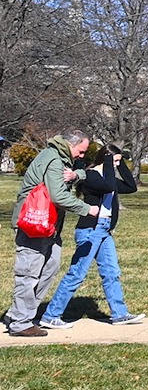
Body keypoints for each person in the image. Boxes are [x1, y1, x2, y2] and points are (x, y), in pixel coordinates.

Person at [37, 141, 142, 329]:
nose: (116, 166)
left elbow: (131, 187)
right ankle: (51, 315)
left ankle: (119, 314)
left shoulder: (107, 174)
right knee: (77, 274)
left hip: (104, 230)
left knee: (111, 272)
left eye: (118, 163)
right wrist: (109, 163)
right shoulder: (91, 176)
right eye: (115, 162)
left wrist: (121, 161)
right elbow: (109, 185)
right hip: (90, 230)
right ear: (105, 159)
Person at [9, 129, 95, 336]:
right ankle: (20, 323)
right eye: (81, 152)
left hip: (49, 227)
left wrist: (78, 174)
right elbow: (58, 196)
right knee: (29, 273)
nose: (81, 156)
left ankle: (19, 314)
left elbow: (74, 176)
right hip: (34, 226)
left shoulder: (62, 159)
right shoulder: (54, 160)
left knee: (50, 268)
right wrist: (87, 209)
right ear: (70, 145)